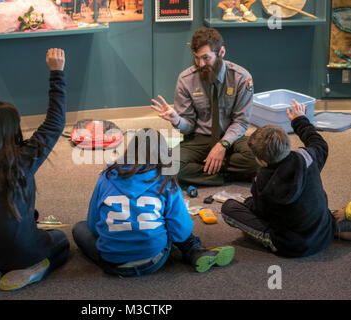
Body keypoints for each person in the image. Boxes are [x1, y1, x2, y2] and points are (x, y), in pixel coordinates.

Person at [0, 48, 69, 291]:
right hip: (25, 251)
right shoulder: (23, 159)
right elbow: (55, 122)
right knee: (61, 241)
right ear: (12, 129)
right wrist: (56, 73)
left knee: (19, 225)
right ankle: (33, 269)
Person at [72, 128, 235, 277]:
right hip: (153, 262)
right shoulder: (167, 181)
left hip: (111, 263)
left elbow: (93, 225)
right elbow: (181, 232)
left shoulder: (106, 176)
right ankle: (193, 250)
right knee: (173, 223)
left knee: (79, 227)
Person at [220, 100, 336, 257]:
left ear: (262, 161)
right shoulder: (309, 156)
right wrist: (299, 119)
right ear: (287, 144)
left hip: (291, 246)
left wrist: (250, 203)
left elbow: (263, 214)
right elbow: (318, 141)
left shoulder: (261, 182)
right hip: (325, 232)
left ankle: (270, 240)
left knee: (229, 209)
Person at [151, 27, 259, 187]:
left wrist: (222, 145)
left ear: (221, 52)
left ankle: (206, 169)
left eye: (206, 58)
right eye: (196, 58)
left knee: (259, 158)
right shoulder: (186, 79)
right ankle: (227, 176)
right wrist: (176, 120)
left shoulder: (241, 78)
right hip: (198, 138)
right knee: (169, 165)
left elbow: (241, 122)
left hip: (231, 137)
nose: (200, 64)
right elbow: (188, 127)